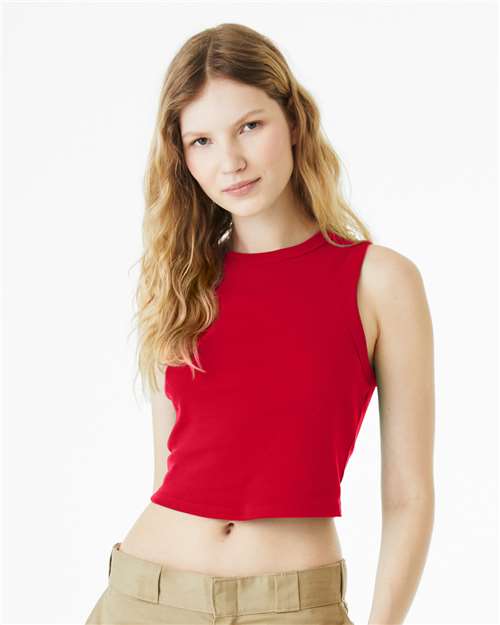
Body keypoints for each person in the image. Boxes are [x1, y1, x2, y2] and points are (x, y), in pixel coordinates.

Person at [84, 22, 435, 625]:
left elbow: (410, 495)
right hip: (147, 595)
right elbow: (171, 469)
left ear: (293, 120)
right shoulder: (179, 282)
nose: (231, 162)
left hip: (290, 605)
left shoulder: (380, 281)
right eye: (201, 140)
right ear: (183, 158)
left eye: (249, 126)